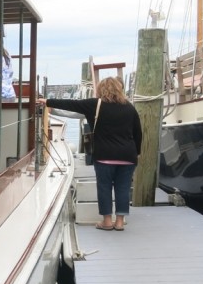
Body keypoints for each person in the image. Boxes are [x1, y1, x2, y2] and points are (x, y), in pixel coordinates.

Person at [42, 76, 143, 231]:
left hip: (104, 156)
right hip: (127, 156)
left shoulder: (95, 105)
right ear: (119, 89)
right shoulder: (129, 107)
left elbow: (71, 104)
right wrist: (137, 153)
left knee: (104, 187)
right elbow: (138, 133)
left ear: (101, 89)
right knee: (123, 188)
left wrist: (48, 102)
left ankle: (107, 222)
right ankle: (120, 222)